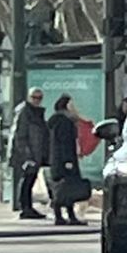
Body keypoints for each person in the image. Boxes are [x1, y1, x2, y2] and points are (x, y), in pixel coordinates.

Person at [46, 92, 90, 226]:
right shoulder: (64, 121)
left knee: (62, 188)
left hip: (58, 159)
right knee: (66, 187)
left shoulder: (58, 120)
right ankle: (65, 216)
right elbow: (65, 142)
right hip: (65, 159)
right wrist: (68, 161)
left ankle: (63, 215)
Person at [8, 87, 47, 220]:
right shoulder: (25, 112)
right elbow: (20, 135)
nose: (37, 101)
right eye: (34, 97)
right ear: (29, 97)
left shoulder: (36, 112)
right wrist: (27, 155)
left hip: (35, 151)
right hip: (27, 153)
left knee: (30, 180)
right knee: (27, 179)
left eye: (39, 98)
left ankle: (27, 206)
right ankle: (25, 207)